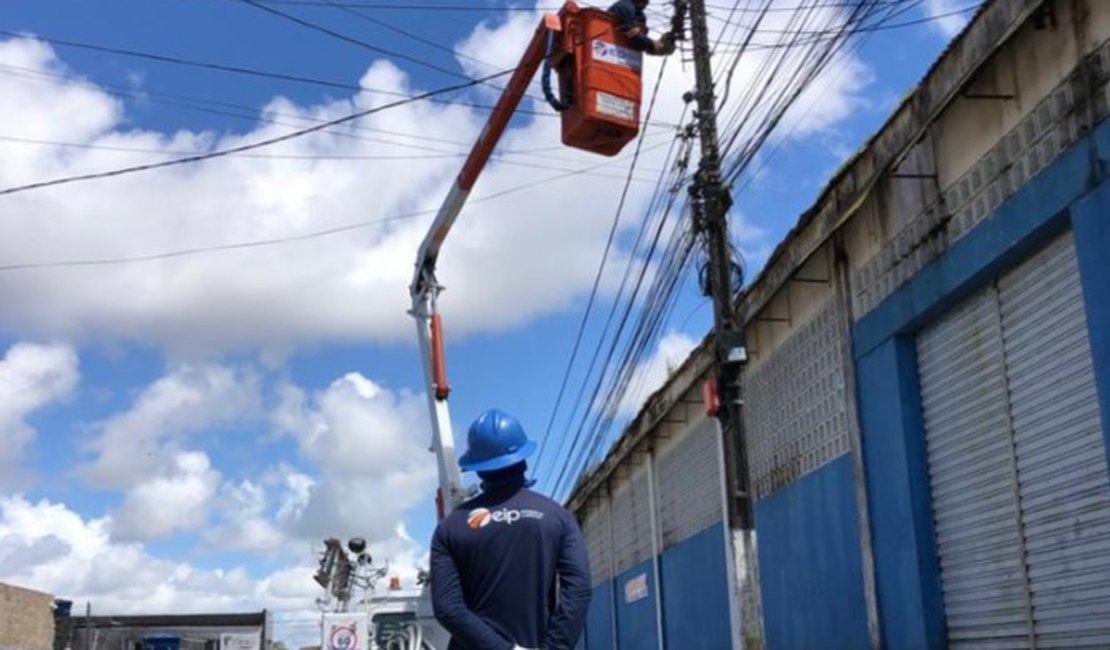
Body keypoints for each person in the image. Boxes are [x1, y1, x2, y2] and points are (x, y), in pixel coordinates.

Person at [430, 409, 591, 650]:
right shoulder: (557, 516)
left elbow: (447, 608)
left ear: (477, 466)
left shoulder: (450, 527)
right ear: (523, 457)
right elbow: (578, 589)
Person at [608, 0, 676, 55]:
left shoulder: (640, 15)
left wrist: (658, 47)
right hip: (611, 50)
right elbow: (632, 36)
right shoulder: (625, 7)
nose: (647, 3)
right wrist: (655, 45)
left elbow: (640, 43)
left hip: (627, 59)